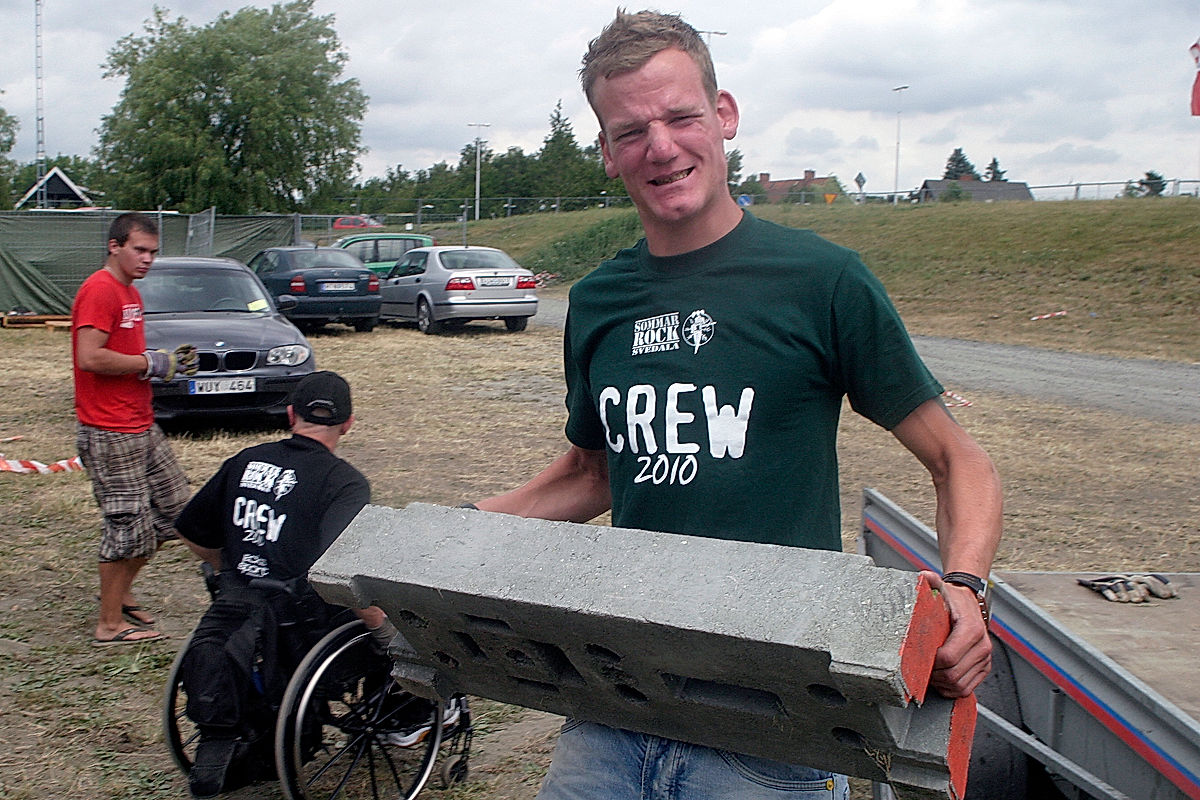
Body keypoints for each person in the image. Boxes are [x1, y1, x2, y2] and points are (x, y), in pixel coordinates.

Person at [472, 10, 1003, 800]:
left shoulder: (821, 281)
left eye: (681, 116)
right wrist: (438, 540)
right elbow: (593, 474)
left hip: (777, 723)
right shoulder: (597, 300)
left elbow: (958, 460)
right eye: (630, 131)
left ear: (723, 116)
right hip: (617, 701)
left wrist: (964, 589)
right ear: (608, 154)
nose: (661, 146)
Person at [172, 370, 392, 798]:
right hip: (304, 621)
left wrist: (228, 570)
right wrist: (382, 627)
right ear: (347, 423)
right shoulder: (343, 482)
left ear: (290, 414)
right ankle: (405, 723)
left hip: (239, 601)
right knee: (394, 631)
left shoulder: (245, 460)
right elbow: (340, 570)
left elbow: (191, 531)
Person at [72, 211, 198, 646]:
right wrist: (150, 362)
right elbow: (90, 356)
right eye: (139, 250)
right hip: (109, 430)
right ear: (115, 246)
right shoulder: (99, 289)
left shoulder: (129, 292)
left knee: (177, 511)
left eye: (152, 252)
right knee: (127, 526)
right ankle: (108, 624)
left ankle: (121, 595)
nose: (147, 259)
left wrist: (163, 363)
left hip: (140, 423)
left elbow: (122, 354)